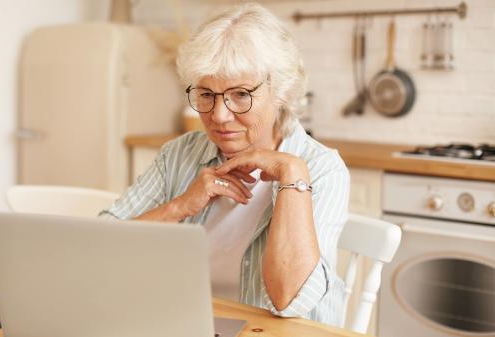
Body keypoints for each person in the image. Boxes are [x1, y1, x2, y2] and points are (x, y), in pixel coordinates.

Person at [100, 3, 349, 326]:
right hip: (186, 324)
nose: (218, 115)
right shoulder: (180, 154)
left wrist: (292, 174)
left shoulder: (322, 169)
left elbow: (290, 300)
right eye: (206, 94)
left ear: (281, 91)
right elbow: (102, 248)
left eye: (241, 94)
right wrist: (179, 207)